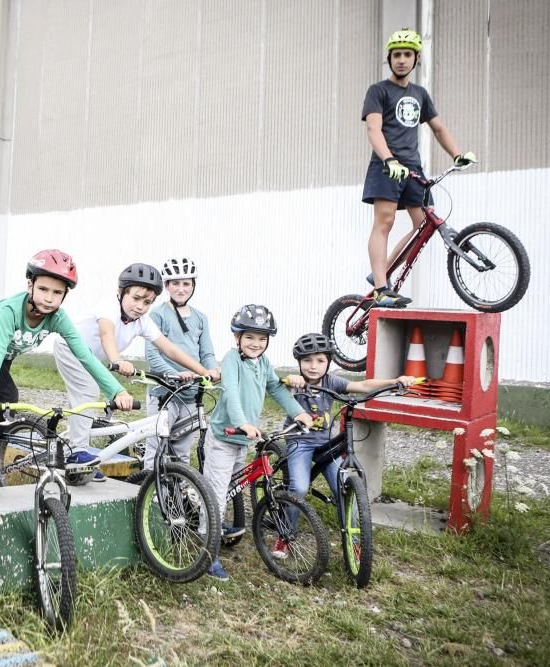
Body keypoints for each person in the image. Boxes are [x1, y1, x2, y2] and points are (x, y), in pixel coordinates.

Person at [0, 250, 135, 482]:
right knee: (5, 396)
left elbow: (86, 356)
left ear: (65, 295)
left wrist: (116, 390)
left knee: (2, 402)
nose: (49, 298)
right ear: (30, 285)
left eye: (57, 292)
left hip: (6, 351)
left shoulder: (58, 318)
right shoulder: (10, 311)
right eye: (43, 289)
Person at [53, 262, 214, 480]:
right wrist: (118, 360)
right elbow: (106, 334)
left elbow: (169, 348)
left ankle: (80, 458)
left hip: (93, 358)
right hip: (69, 348)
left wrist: (203, 370)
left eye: (147, 302)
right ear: (120, 293)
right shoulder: (108, 307)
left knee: (88, 401)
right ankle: (78, 454)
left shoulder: (142, 322)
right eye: (136, 298)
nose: (140, 306)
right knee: (87, 391)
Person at [362, 28, 476, 307]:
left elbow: (438, 128)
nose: (402, 60)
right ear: (389, 59)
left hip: (413, 167)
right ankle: (380, 288)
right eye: (397, 55)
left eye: (407, 55)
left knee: (425, 222)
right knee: (384, 221)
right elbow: (374, 129)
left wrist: (457, 154)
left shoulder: (420, 94)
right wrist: (389, 159)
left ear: (416, 59)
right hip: (386, 165)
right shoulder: (378, 91)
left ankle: (382, 271)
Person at [278, 332, 416, 558]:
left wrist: (393, 382)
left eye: (320, 361)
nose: (313, 367)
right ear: (299, 363)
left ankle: (353, 541)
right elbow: (280, 384)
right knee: (299, 489)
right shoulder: (296, 382)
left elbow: (362, 385)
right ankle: (286, 535)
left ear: (328, 362)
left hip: (325, 444)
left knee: (343, 489)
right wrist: (292, 378)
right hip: (299, 443)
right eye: (307, 361)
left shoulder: (331, 381)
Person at [202, 304, 313, 581]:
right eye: (249, 337)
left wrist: (298, 411)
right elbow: (230, 393)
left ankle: (212, 526)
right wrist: (242, 422)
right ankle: (207, 554)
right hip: (224, 437)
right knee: (215, 496)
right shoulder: (231, 360)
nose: (256, 343)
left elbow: (274, 387)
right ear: (236, 337)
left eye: (262, 339)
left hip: (242, 439)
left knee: (229, 488)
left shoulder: (262, 363)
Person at [143, 257, 221, 470]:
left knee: (182, 452)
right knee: (156, 447)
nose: (181, 288)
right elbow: (152, 353)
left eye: (186, 283)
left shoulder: (201, 318)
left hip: (190, 393)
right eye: (175, 283)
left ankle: (177, 497)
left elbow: (206, 352)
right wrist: (172, 374)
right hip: (164, 393)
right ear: (167, 286)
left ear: (193, 286)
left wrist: (212, 369)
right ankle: (148, 496)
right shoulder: (158, 314)